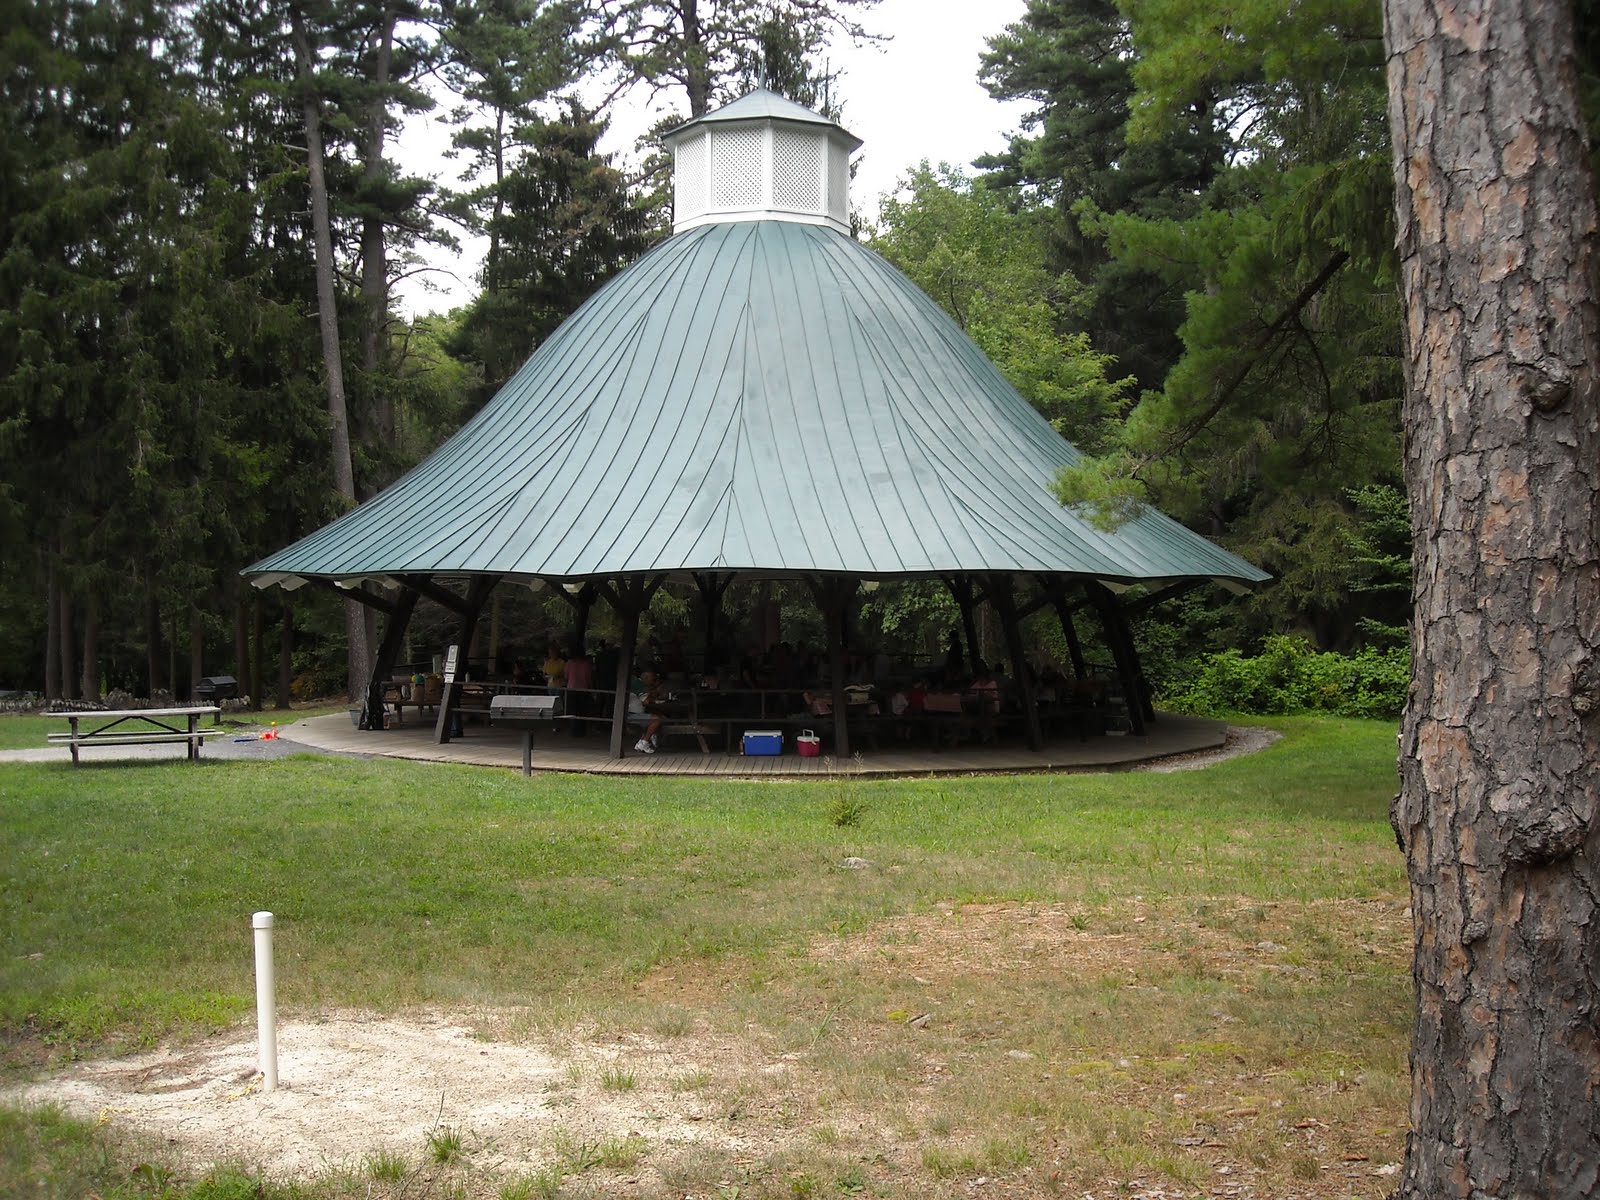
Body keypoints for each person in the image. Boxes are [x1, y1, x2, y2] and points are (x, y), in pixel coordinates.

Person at [629, 668, 667, 753]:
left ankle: (642, 743)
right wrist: (653, 692)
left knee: (660, 717)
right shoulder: (639, 685)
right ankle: (645, 742)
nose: (653, 682)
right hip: (631, 715)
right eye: (652, 679)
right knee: (657, 719)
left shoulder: (637, 684)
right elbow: (646, 701)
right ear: (646, 678)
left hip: (633, 713)